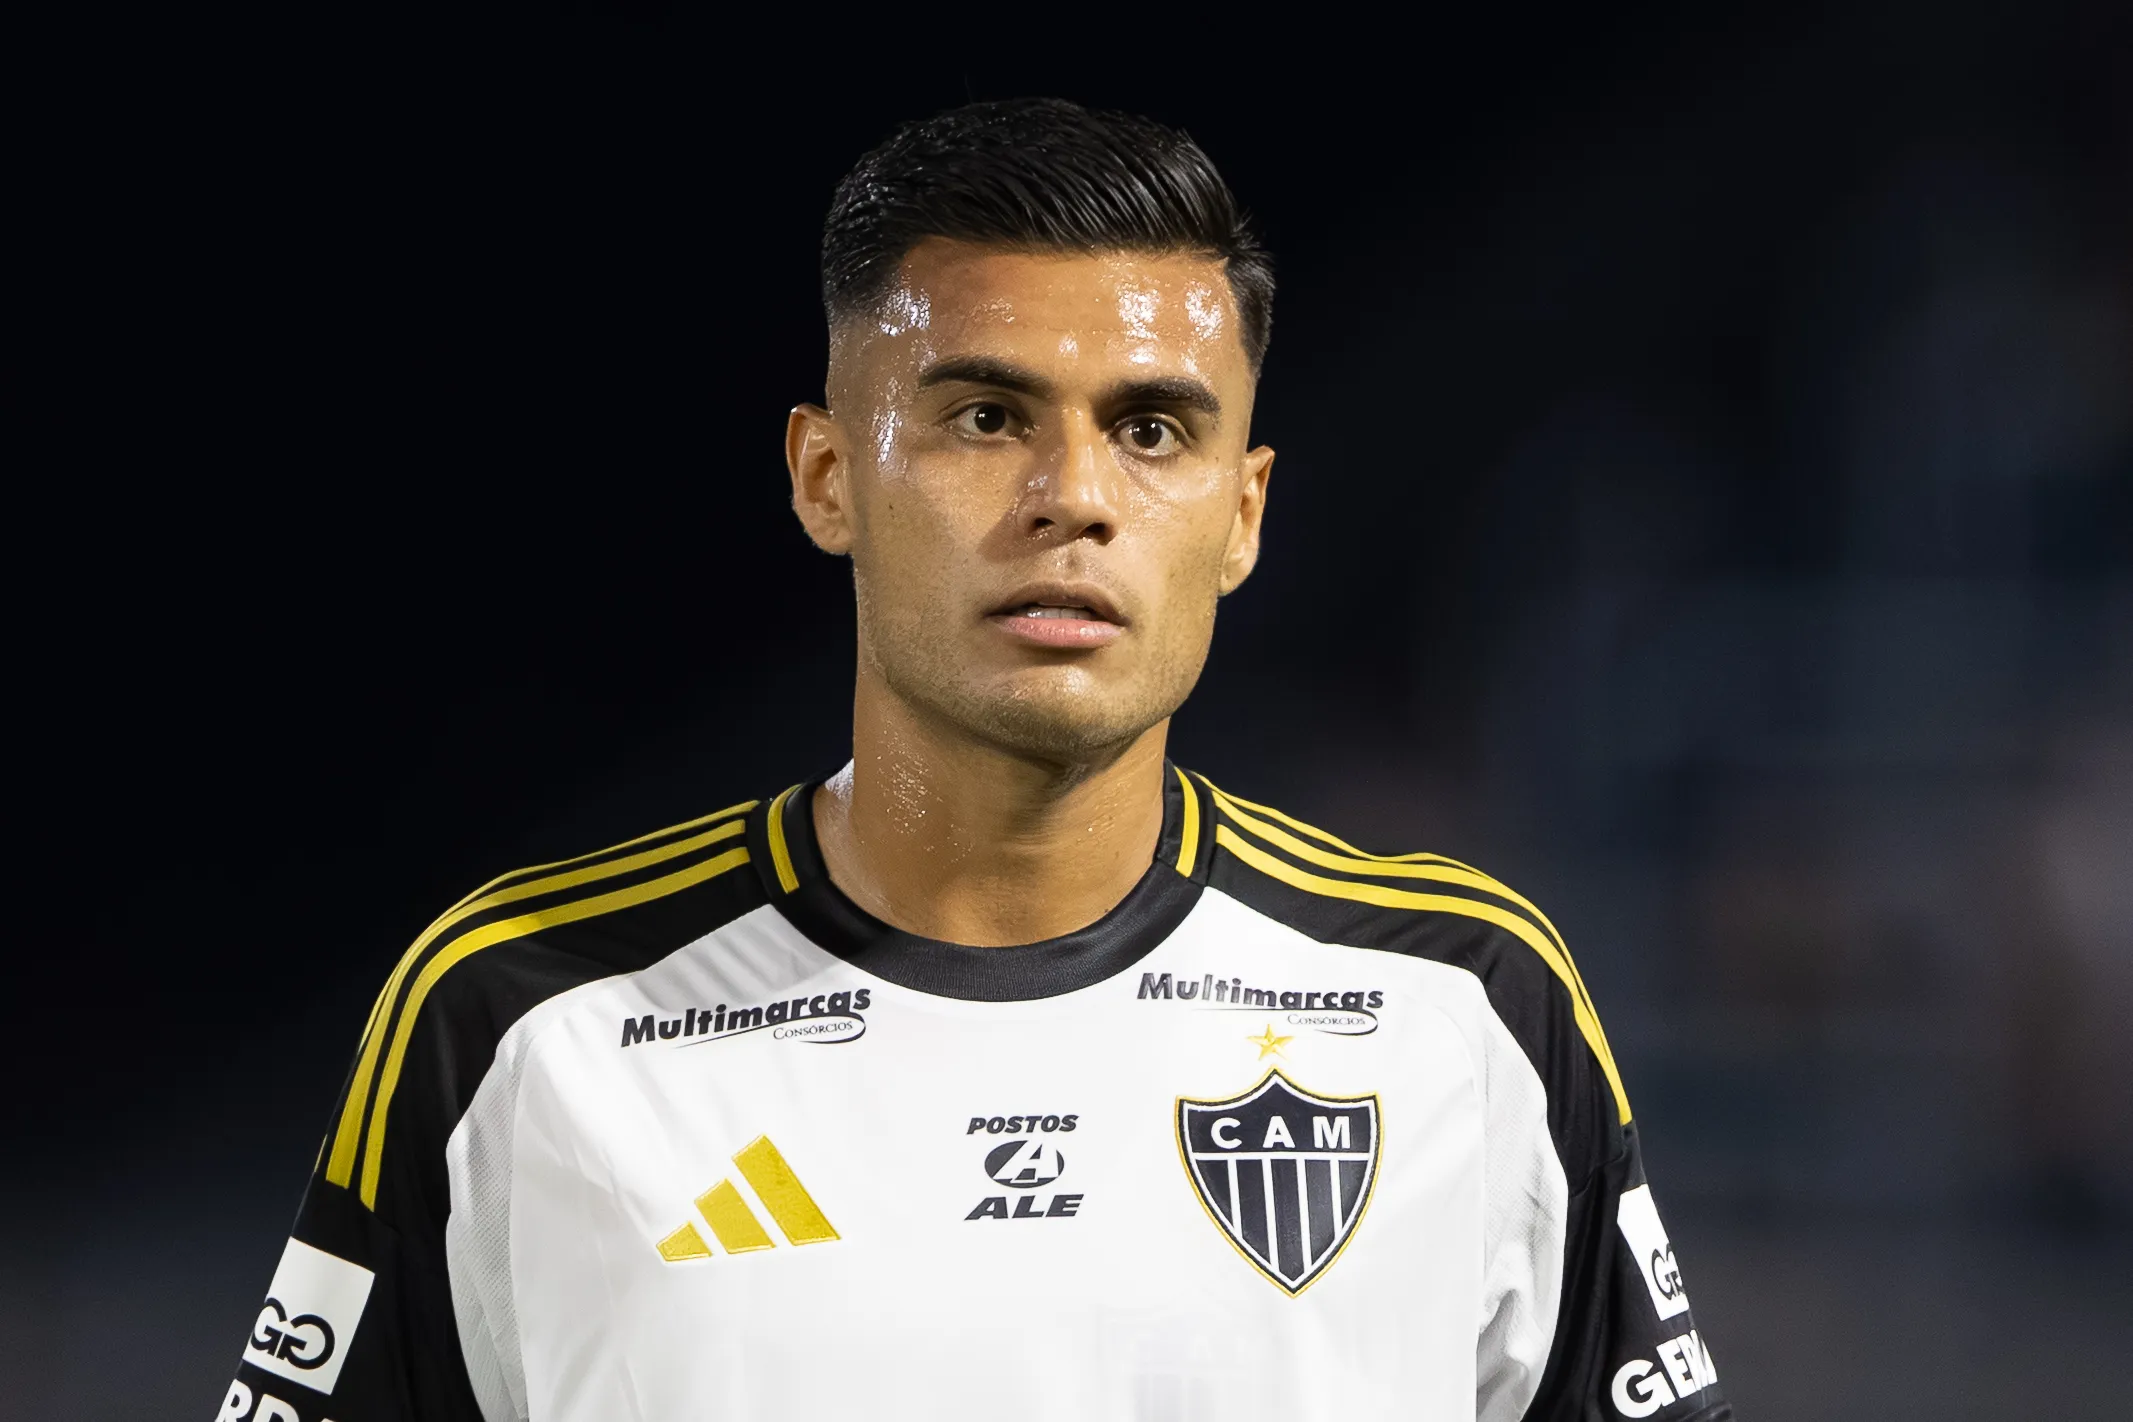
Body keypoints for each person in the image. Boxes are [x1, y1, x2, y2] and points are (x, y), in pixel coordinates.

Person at [220, 97, 1729, 1422]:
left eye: (1152, 428)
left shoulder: (1463, 1008)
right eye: (989, 414)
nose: (1072, 495)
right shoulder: (520, 1019)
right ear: (827, 476)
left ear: (1246, 510)